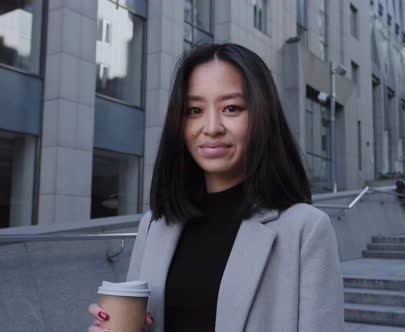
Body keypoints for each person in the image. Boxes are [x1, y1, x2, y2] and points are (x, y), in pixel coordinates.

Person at [88, 43, 344, 332]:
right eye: (194, 110)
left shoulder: (305, 230)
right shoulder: (155, 224)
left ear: (262, 116)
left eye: (231, 108)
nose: (211, 127)